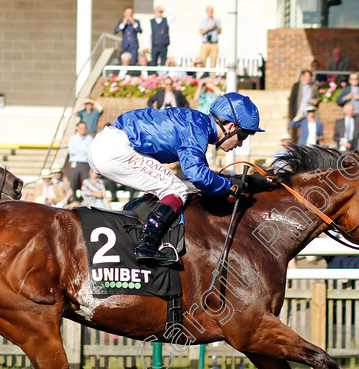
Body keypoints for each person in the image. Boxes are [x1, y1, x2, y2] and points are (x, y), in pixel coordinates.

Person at [87, 92, 262, 265]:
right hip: (114, 149)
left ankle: (130, 225)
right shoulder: (196, 128)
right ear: (230, 126)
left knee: (161, 191)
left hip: (106, 144)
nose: (240, 143)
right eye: (243, 135)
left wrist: (231, 181)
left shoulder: (197, 123)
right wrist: (230, 186)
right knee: (177, 190)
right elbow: (197, 176)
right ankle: (146, 246)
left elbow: (202, 172)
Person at [68, 121, 93, 192]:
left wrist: (79, 150)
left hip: (85, 163)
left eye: (84, 128)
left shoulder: (89, 138)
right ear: (77, 128)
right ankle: (74, 200)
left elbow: (89, 151)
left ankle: (84, 198)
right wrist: (84, 151)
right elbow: (71, 151)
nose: (82, 129)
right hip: (74, 163)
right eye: (81, 128)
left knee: (85, 182)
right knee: (73, 182)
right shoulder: (73, 138)